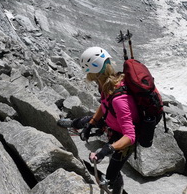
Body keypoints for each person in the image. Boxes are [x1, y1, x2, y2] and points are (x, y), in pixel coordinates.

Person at [58, 47, 139, 194]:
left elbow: (130, 136)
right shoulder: (106, 84)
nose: (88, 76)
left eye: (89, 72)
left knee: (112, 171)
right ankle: (74, 124)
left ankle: (116, 184)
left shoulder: (119, 100)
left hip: (122, 136)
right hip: (112, 121)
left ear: (94, 71)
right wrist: (92, 123)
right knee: (87, 120)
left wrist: (108, 149)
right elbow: (104, 105)